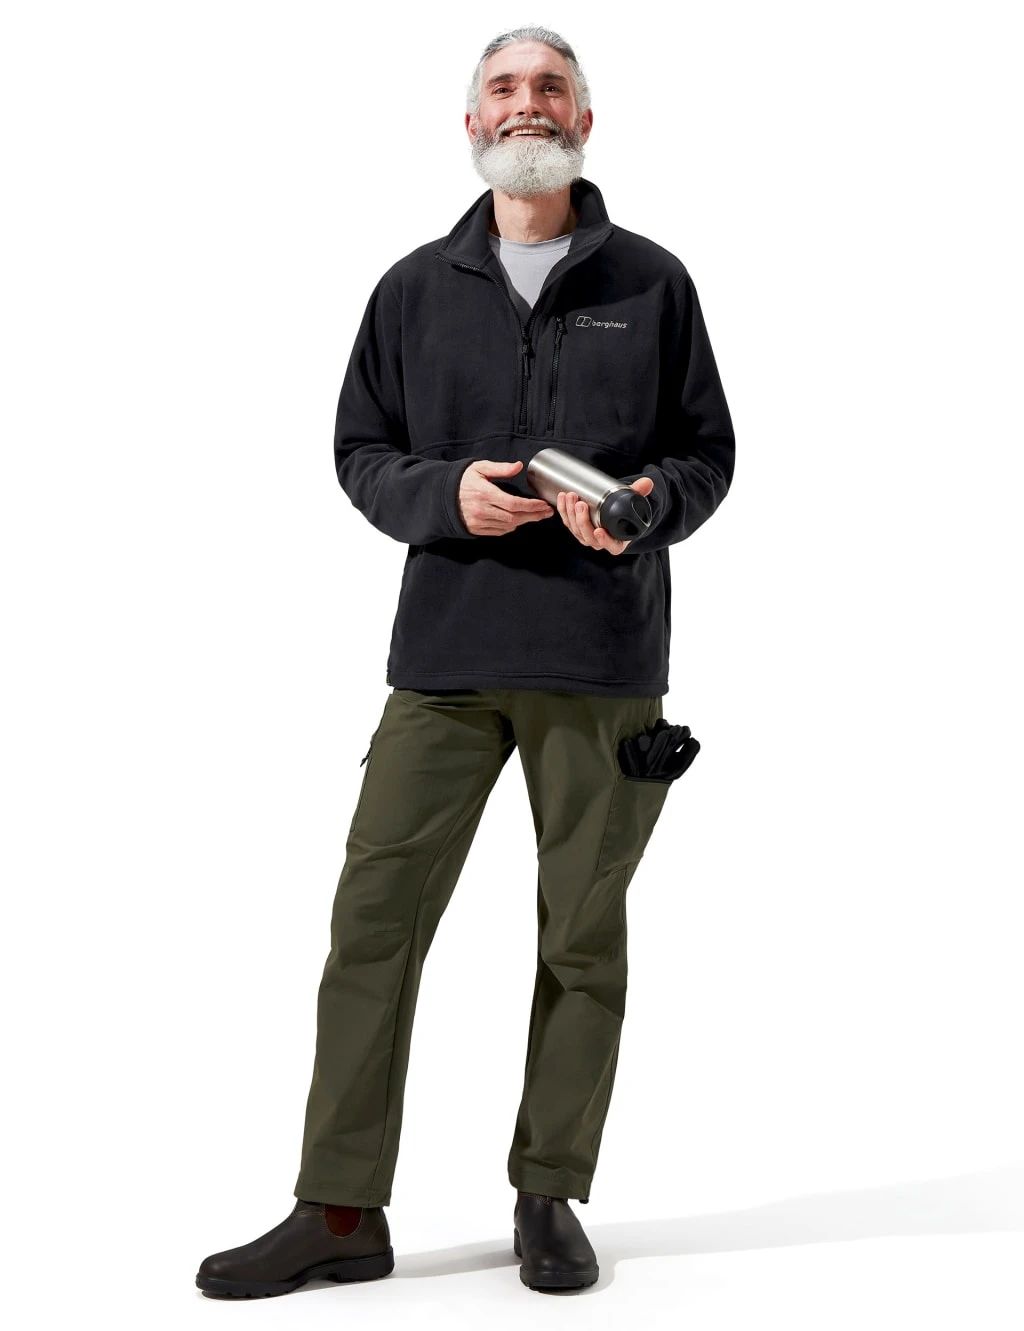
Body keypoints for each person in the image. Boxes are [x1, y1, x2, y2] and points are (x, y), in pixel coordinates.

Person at [196, 24, 734, 1299]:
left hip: (602, 661)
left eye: (550, 86)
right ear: (473, 123)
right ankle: (339, 1207)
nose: (525, 102)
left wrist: (645, 504)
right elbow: (360, 452)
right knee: (371, 923)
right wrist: (445, 496)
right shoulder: (411, 289)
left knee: (581, 937)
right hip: (444, 654)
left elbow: (706, 454)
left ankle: (548, 1192)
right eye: (503, 86)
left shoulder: (654, 282)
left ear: (583, 122)